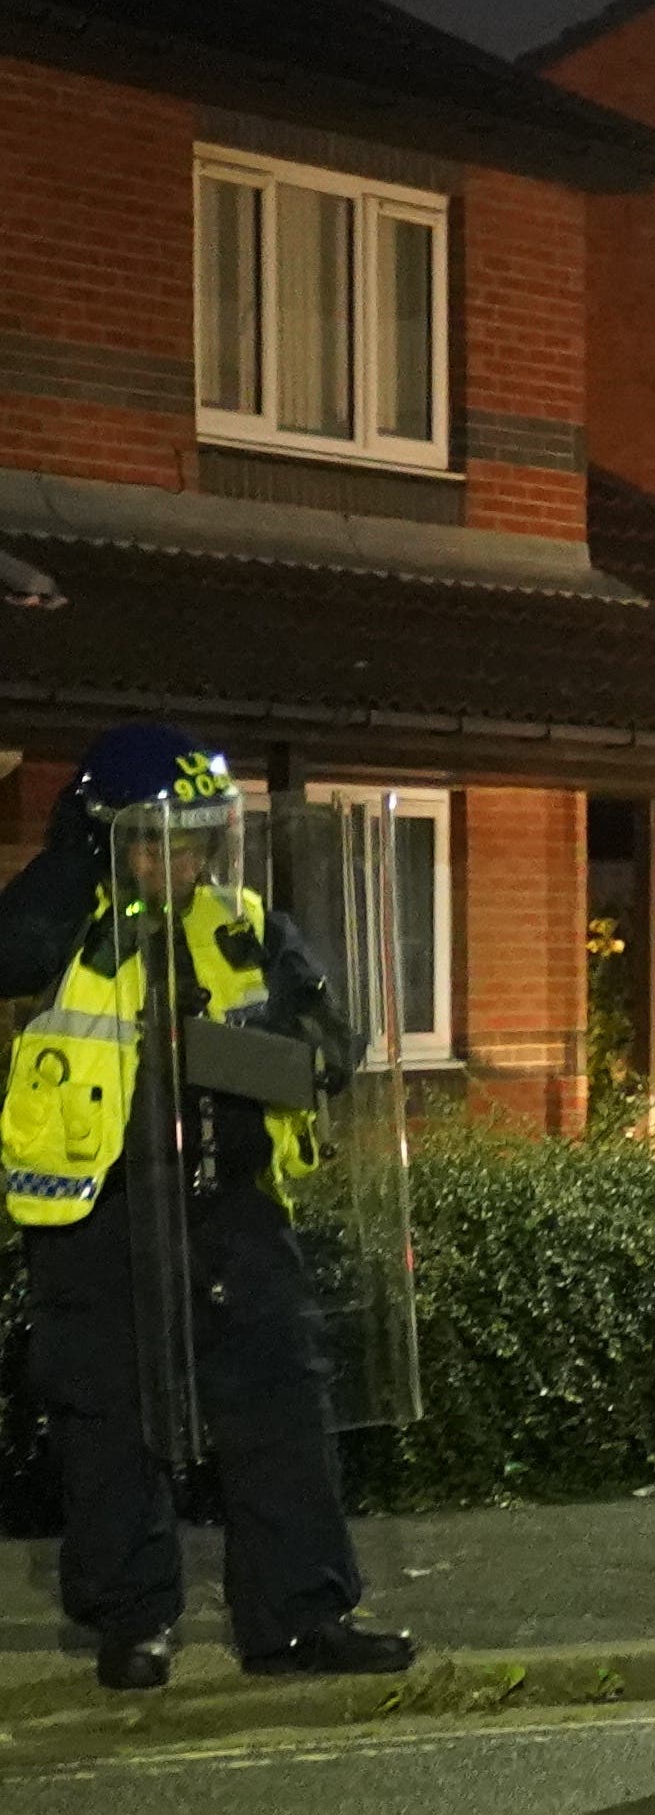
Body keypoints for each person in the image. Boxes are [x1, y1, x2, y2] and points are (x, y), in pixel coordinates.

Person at [0, 725, 418, 1692]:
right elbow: (10, 953)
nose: (177, 859)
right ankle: (130, 1623)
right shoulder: (63, 919)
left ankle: (299, 1621)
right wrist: (75, 869)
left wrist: (260, 1050)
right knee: (110, 1422)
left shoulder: (241, 922)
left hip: (230, 1210)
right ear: (102, 835)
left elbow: (333, 1045)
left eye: (194, 839)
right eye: (154, 838)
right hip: (101, 1213)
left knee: (281, 1409)